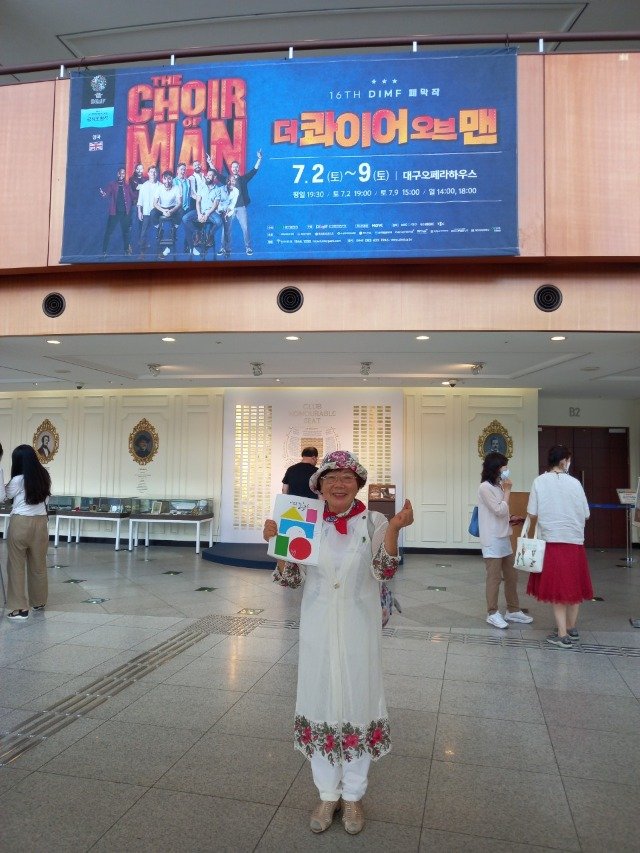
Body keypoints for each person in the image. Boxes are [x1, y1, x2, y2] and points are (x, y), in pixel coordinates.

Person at [262, 450, 413, 836]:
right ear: (319, 486)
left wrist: (395, 529)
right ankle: (328, 794)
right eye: (331, 478)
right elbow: (291, 580)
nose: (339, 485)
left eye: (347, 478)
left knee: (359, 702)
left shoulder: (375, 521)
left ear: (358, 484)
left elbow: (384, 570)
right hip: (317, 628)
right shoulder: (306, 521)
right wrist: (279, 545)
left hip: (360, 628)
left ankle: (354, 795)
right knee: (320, 701)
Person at [526, 445, 593, 648]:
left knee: (557, 589)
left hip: (552, 541)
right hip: (575, 542)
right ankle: (571, 628)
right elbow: (586, 513)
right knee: (574, 587)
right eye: (568, 459)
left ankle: (562, 635)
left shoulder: (539, 481)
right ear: (564, 461)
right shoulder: (575, 483)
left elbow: (532, 512)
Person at [477, 452, 533, 629]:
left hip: (504, 537)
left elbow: (503, 512)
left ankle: (513, 610)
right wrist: (508, 491)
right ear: (496, 468)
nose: (507, 471)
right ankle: (492, 613)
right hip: (492, 539)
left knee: (511, 576)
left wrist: (511, 518)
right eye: (504, 467)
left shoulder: (499, 486)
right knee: (494, 578)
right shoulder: (485, 487)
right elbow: (499, 510)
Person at [5, 444, 52, 620]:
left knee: (16, 565)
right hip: (41, 524)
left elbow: (4, 496)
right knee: (38, 564)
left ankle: (20, 609)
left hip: (20, 523)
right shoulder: (44, 476)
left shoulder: (18, 480)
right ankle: (39, 601)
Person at [208, 150, 262, 256]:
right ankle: (223, 248)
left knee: (245, 228)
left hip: (241, 207)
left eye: (237, 167)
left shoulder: (243, 179)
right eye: (233, 167)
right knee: (226, 229)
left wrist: (259, 159)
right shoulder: (227, 179)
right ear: (231, 168)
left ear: (238, 168)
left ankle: (248, 248)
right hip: (229, 209)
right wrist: (210, 162)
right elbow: (216, 174)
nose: (235, 168)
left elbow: (254, 170)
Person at [99, 167, 134, 256]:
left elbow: (133, 196)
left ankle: (126, 250)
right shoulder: (112, 184)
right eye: (120, 173)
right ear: (117, 174)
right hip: (114, 213)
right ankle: (104, 252)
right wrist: (103, 194)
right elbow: (106, 193)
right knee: (108, 232)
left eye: (123, 173)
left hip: (125, 213)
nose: (122, 175)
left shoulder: (127, 186)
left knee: (126, 233)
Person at [151, 171, 183, 256]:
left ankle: (174, 228)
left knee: (181, 211)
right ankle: (159, 228)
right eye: (165, 179)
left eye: (169, 179)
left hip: (172, 208)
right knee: (152, 213)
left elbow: (179, 203)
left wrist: (171, 211)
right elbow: (155, 203)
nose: (167, 181)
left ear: (172, 179)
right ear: (162, 179)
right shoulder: (159, 188)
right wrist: (163, 211)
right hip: (162, 208)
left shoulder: (176, 188)